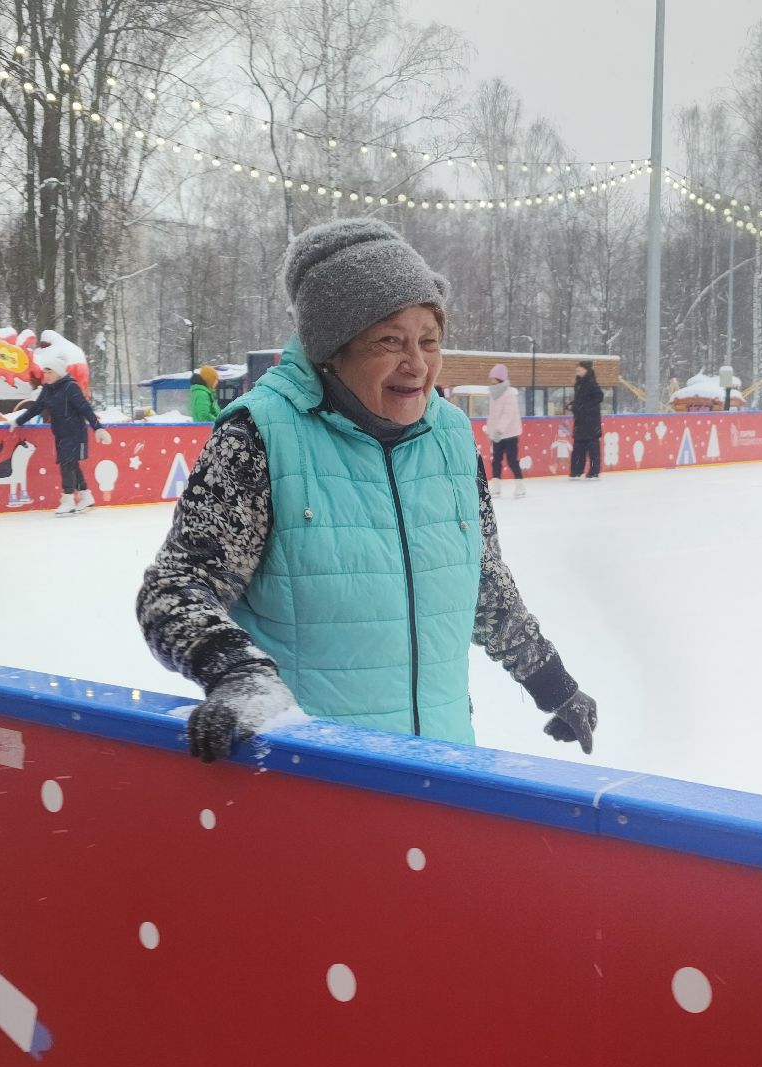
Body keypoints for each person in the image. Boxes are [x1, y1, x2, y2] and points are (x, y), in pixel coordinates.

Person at [136, 218, 599, 763]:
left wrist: (553, 683)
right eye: (390, 341)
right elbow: (175, 588)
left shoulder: (451, 437)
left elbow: (483, 586)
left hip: (445, 770)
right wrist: (238, 674)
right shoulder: (260, 436)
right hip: (318, 776)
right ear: (334, 349)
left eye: (429, 341)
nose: (418, 364)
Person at [9, 360, 111, 515]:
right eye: (45, 373)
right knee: (71, 464)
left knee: (67, 463)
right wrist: (18, 421)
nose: (47, 376)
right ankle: (85, 496)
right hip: (61, 433)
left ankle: (68, 499)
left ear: (58, 372)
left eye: (50, 372)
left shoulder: (71, 387)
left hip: (75, 432)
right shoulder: (47, 390)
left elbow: (85, 408)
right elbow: (36, 408)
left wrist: (98, 428)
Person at [485, 364, 526, 499]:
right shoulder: (493, 393)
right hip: (497, 434)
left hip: (510, 434)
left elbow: (508, 414)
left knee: (512, 460)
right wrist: (491, 431)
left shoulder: (509, 393)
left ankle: (520, 485)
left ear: (500, 378)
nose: (491, 380)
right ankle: (496, 486)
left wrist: (499, 430)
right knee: (496, 460)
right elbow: (493, 415)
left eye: (494, 378)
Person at [568, 361, 604, 479]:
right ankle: (576, 471)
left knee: (593, 448)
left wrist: (585, 408)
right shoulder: (578, 384)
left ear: (586, 370)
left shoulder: (591, 383)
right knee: (578, 447)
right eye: (576, 370)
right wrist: (572, 405)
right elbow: (580, 400)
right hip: (580, 420)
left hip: (591, 421)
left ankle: (594, 471)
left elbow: (599, 397)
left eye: (579, 370)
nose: (577, 372)